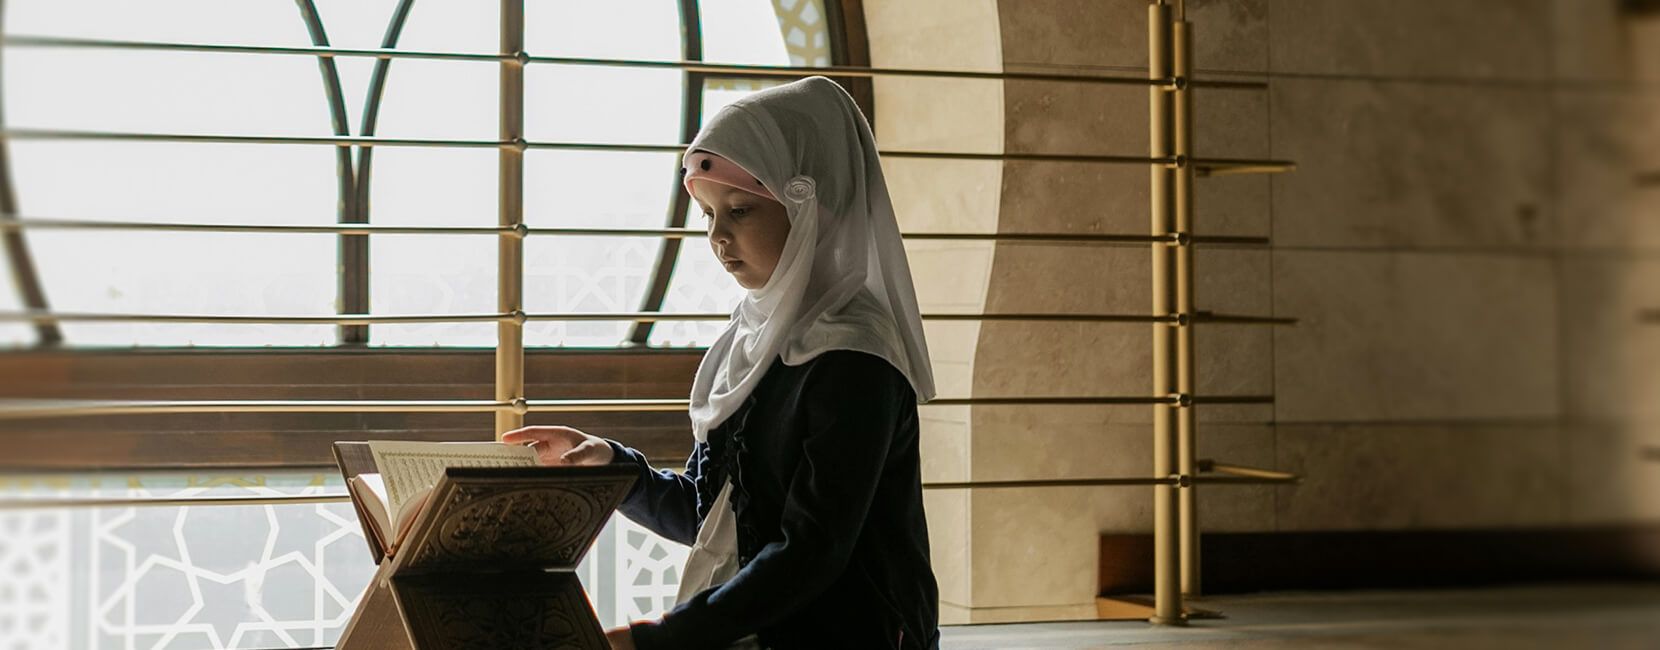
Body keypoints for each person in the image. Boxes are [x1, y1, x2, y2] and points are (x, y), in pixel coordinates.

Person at [502, 75, 939, 649]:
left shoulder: (855, 359)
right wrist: (611, 467)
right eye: (707, 214)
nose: (717, 236)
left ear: (815, 209)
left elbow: (811, 552)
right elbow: (715, 519)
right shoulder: (754, 338)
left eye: (739, 210)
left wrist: (657, 638)